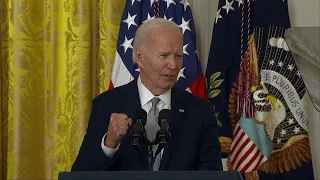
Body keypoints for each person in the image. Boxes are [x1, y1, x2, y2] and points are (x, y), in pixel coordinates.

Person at [72, 18, 222, 171]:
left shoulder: (200, 111)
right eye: (164, 55)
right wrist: (109, 143)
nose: (173, 65)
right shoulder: (107, 105)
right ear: (140, 57)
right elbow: (81, 173)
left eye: (178, 56)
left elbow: (212, 173)